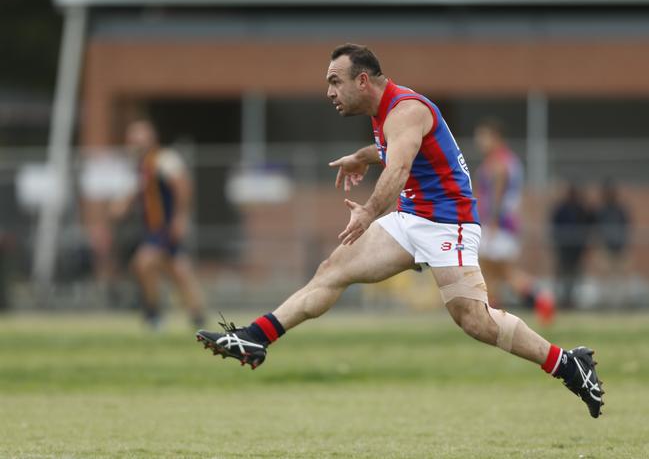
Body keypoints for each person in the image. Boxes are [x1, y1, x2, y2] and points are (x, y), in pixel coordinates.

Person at [196, 44, 603, 418]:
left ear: (362, 80)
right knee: (333, 268)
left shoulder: (406, 110)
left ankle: (568, 364)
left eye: (335, 81)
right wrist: (360, 156)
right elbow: (392, 149)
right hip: (411, 221)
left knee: (474, 320)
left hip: (449, 222)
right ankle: (256, 336)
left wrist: (369, 212)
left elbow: (400, 166)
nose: (329, 92)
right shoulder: (386, 115)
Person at [112, 119, 206, 329]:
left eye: (139, 138)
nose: (134, 143)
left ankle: (153, 315)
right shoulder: (142, 165)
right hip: (153, 227)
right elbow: (140, 190)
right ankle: (197, 316)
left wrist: (180, 217)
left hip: (164, 227)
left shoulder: (163, 159)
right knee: (178, 270)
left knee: (144, 263)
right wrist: (123, 205)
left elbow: (182, 184)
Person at [474, 119, 555, 324]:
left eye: (484, 137)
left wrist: (491, 224)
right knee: (495, 273)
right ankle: (494, 313)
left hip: (498, 225)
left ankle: (540, 299)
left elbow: (497, 196)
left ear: (496, 137)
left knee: (500, 272)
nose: (480, 142)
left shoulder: (498, 163)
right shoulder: (509, 160)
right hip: (505, 225)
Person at [551, 183, 593, 308]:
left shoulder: (581, 208)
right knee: (563, 276)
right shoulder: (562, 208)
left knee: (575, 277)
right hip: (564, 250)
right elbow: (554, 224)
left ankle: (572, 301)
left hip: (576, 250)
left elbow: (590, 221)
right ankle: (561, 300)